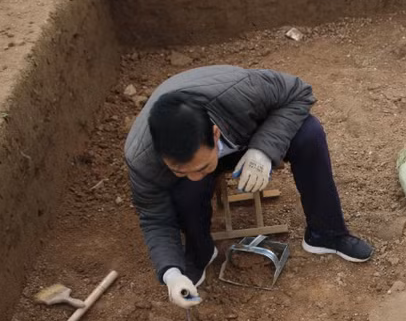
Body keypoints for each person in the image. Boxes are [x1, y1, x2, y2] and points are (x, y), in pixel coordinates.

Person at [125, 65, 373, 307]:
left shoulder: (243, 91)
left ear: (213, 134)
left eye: (201, 167)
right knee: (185, 190)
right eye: (179, 170)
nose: (194, 176)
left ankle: (326, 234)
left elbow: (300, 93)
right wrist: (171, 273)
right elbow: (154, 217)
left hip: (245, 133)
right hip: (207, 152)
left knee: (309, 132)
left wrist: (263, 150)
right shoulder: (141, 158)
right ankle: (199, 253)